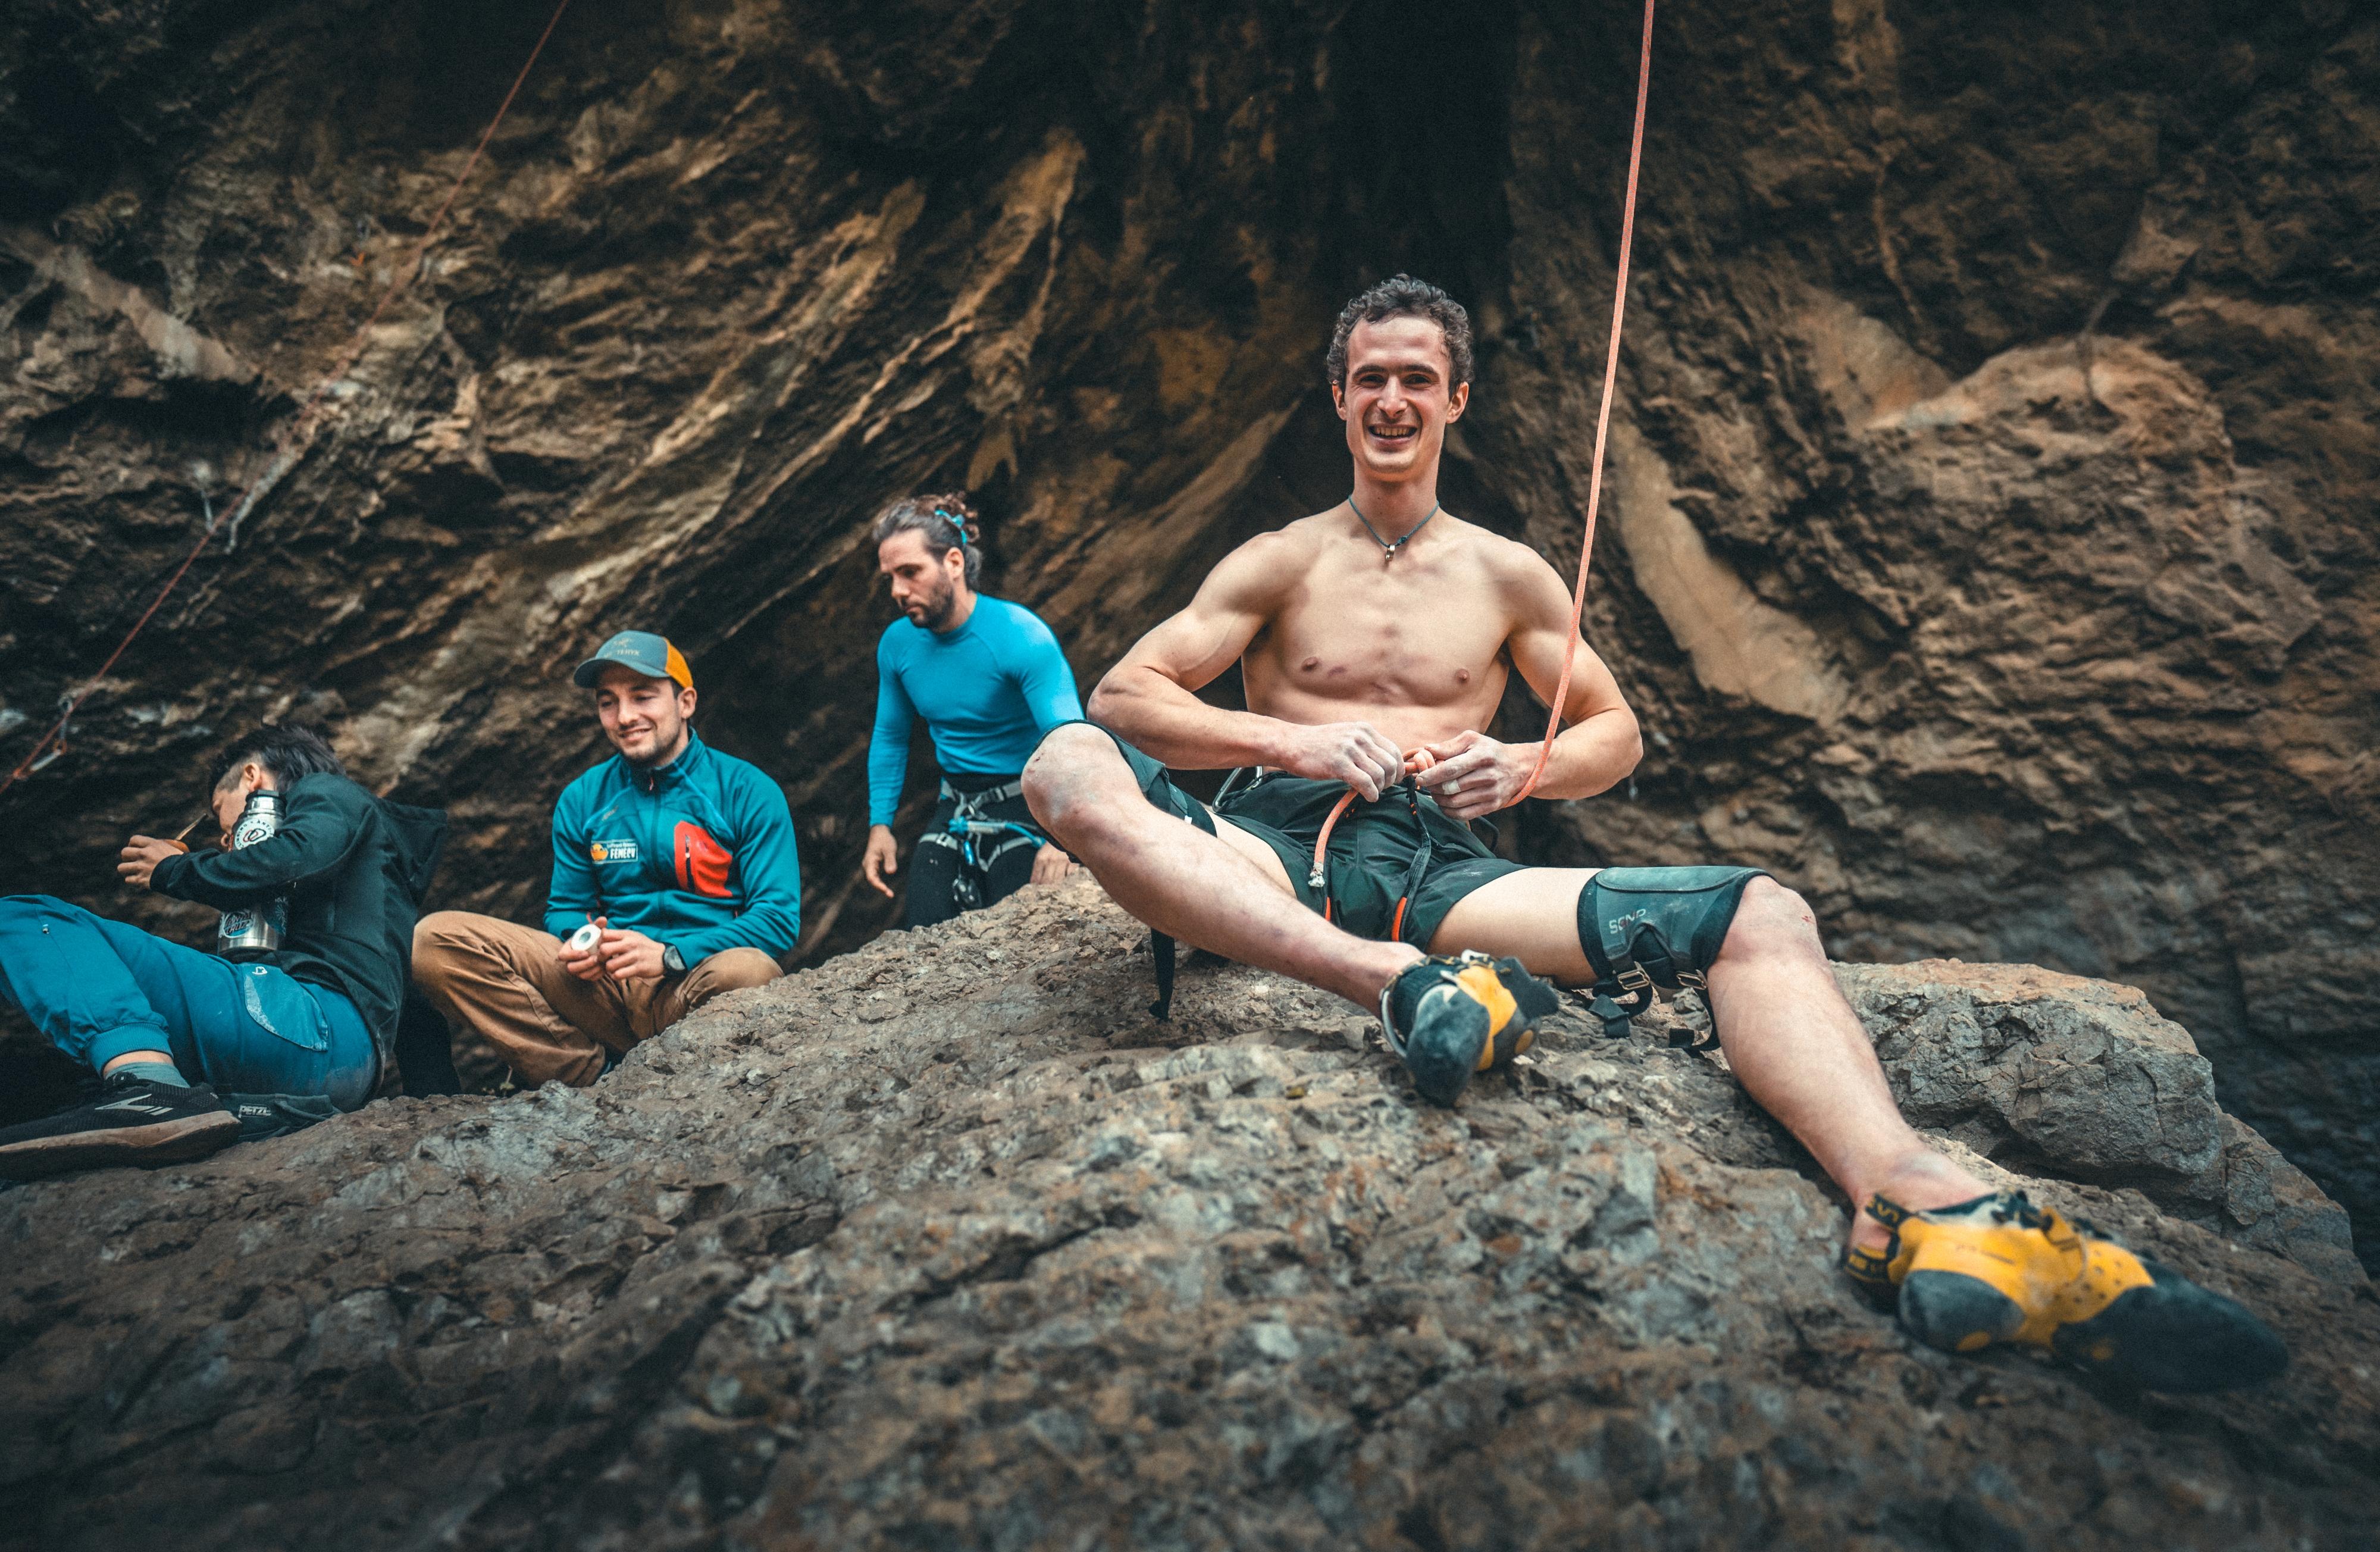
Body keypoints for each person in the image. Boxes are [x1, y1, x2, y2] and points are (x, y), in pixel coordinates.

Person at [1020, 274, 2286, 1394]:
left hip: (1441, 869)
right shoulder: (1277, 559)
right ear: (1338, 397)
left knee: (1761, 911)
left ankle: (1919, 1200)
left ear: (1456, 398)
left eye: (1415, 378)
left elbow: (1615, 732)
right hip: (1270, 847)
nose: (1391, 400)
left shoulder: (1509, 574)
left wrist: (1522, 767)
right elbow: (1127, 694)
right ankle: (1396, 987)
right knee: (1066, 768)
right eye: (1368, 379)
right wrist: (1290, 743)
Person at [0, 725, 447, 1177]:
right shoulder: (375, 899)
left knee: (26, 918)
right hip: (345, 1070)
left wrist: (172, 869)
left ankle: (150, 1088)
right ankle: (204, 1103)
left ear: (251, 776)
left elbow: (295, 857)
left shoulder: (327, 790)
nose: (223, 834)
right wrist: (438, 1110)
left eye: (219, 811)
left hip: (309, 1028)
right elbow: (416, 1014)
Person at [412, 631, 797, 1087]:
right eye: (608, 702)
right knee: (434, 941)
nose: (625, 716)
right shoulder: (583, 798)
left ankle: (690, 1082)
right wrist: (583, 942)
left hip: (697, 982)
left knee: (751, 971)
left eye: (643, 696)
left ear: (686, 702)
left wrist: (672, 956)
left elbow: (776, 919)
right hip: (606, 991)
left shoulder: (748, 790)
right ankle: (591, 1076)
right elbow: (565, 909)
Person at [861, 492, 1083, 928]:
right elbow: (890, 737)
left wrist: (1064, 839)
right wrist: (880, 825)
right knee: (924, 925)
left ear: (954, 563)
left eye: (910, 572)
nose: (898, 591)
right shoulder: (898, 645)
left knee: (1020, 929)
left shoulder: (1020, 636)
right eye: (890, 577)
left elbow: (1072, 739)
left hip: (1028, 805)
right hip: (956, 805)